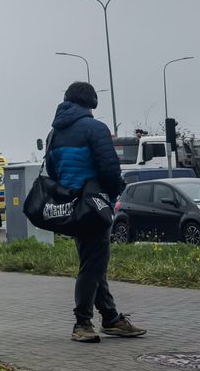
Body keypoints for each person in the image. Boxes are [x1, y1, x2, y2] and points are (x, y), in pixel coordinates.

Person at [47, 81, 145, 343]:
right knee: (93, 265)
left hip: (73, 205)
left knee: (94, 262)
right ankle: (82, 322)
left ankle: (111, 318)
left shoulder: (54, 134)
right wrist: (113, 193)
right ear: (91, 103)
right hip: (95, 203)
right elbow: (109, 169)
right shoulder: (95, 128)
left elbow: (53, 171)